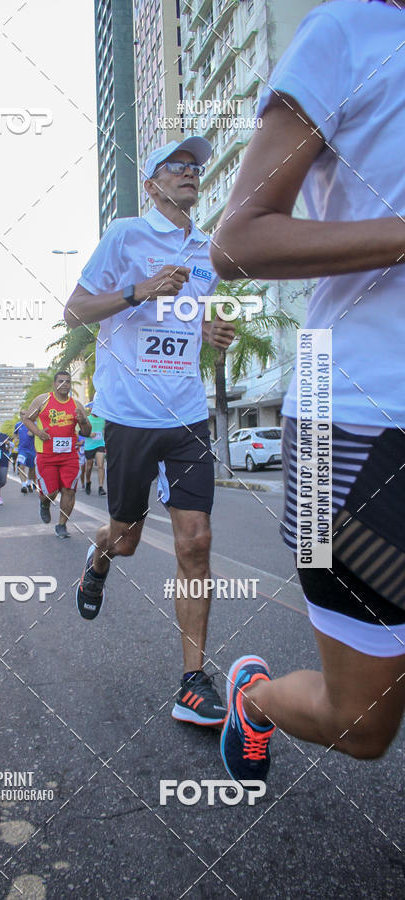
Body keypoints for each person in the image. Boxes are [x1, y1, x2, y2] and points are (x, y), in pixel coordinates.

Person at [211, 0, 405, 784]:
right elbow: (238, 238)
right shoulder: (348, 33)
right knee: (361, 723)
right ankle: (254, 700)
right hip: (349, 422)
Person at [64, 136, 235, 726]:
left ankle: (192, 682)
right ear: (153, 183)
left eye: (195, 167)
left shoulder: (207, 250)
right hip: (130, 415)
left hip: (186, 414)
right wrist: (141, 288)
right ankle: (98, 560)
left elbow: (191, 316)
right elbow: (74, 310)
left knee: (196, 541)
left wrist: (210, 332)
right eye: (176, 166)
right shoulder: (125, 236)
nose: (189, 173)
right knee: (128, 539)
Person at [22, 371, 91, 538]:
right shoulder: (42, 400)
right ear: (54, 384)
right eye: (61, 381)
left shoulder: (76, 405)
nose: (64, 384)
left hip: (69, 456)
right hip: (46, 456)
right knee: (51, 492)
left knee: (69, 490)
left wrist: (82, 421)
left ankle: (61, 524)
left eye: (68, 381)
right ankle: (44, 504)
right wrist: (38, 432)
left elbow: (87, 432)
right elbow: (27, 419)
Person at [83, 403, 106, 497]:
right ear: (91, 409)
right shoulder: (87, 419)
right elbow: (81, 432)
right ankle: (88, 482)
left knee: (101, 465)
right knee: (89, 468)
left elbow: (106, 431)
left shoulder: (103, 419)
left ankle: (101, 487)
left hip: (100, 444)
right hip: (89, 446)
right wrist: (88, 434)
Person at [14, 410, 37, 493]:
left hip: (32, 450)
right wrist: (16, 439)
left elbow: (38, 434)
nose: (23, 415)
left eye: (25, 414)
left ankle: (29, 483)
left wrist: (33, 433)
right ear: (20, 416)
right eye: (22, 414)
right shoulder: (18, 425)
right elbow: (15, 433)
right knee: (21, 466)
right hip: (22, 450)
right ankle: (23, 485)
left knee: (32, 468)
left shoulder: (34, 424)